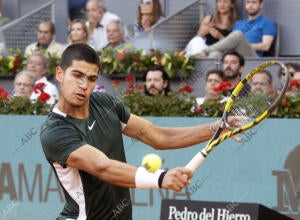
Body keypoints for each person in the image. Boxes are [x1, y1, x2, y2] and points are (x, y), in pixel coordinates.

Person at [40, 43, 244, 219]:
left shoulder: (105, 104)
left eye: (91, 78)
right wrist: (161, 178)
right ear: (60, 74)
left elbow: (158, 136)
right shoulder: (55, 131)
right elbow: (103, 167)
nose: (84, 85)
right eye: (77, 75)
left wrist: (213, 129)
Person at [196, 0, 276, 58]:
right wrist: (219, 36)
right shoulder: (239, 23)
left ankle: (205, 51)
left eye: (254, 2)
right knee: (215, 54)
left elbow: (266, 46)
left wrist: (243, 44)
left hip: (252, 58)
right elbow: (231, 42)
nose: (250, 5)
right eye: (248, 2)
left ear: (261, 4)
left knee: (238, 35)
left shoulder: (267, 22)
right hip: (235, 56)